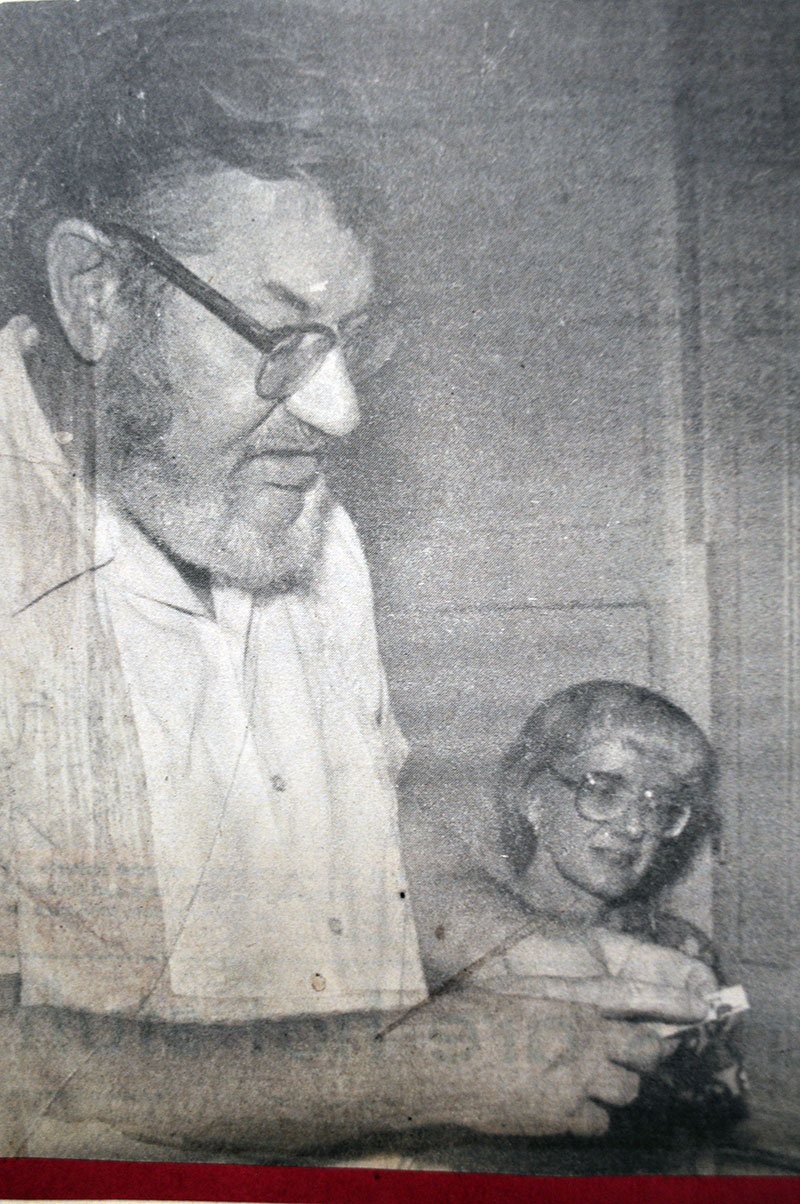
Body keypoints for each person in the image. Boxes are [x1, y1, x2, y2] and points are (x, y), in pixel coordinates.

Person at [0, 4, 707, 1163]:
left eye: (352, 340)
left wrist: (511, 949)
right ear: (97, 291)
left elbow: (362, 831)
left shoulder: (311, 538)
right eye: (279, 336)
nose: (340, 413)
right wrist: (423, 1066)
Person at [403, 680, 746, 1171]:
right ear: (533, 800)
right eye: (604, 791)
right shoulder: (450, 949)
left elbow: (702, 1140)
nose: (633, 827)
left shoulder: (685, 954)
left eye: (659, 806)